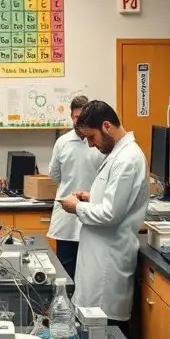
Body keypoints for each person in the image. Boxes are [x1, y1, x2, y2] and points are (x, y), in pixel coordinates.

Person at [59, 100, 149, 335]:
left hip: (108, 268)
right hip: (99, 260)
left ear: (106, 126)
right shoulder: (118, 154)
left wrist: (76, 207)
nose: (90, 144)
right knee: (93, 336)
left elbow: (110, 214)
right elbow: (114, 202)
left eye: (91, 137)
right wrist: (90, 199)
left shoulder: (127, 159)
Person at [46, 96, 104, 279]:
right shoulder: (62, 143)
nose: (80, 120)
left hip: (93, 214)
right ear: (71, 116)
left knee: (90, 272)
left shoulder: (99, 142)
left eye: (84, 116)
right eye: (77, 116)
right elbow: (54, 174)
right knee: (66, 272)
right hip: (66, 219)